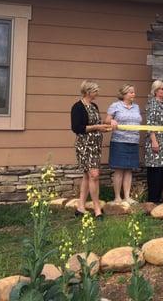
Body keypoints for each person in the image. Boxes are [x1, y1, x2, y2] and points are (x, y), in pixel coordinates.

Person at [70, 80, 111, 220]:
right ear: (88, 92)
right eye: (95, 91)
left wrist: (105, 128)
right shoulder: (77, 107)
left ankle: (81, 207)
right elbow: (77, 128)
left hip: (95, 146)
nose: (97, 93)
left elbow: (97, 125)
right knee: (94, 175)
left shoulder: (94, 106)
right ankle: (97, 209)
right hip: (84, 146)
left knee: (88, 176)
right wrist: (97, 128)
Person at [105, 84, 142, 204]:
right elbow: (106, 120)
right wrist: (111, 120)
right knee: (119, 169)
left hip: (133, 141)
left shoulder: (136, 107)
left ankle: (127, 197)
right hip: (119, 141)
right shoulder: (115, 105)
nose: (133, 94)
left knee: (129, 170)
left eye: (134, 92)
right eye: (131, 92)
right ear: (124, 94)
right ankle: (117, 197)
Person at [144, 80, 163, 203]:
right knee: (155, 170)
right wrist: (154, 141)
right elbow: (150, 124)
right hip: (156, 141)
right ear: (156, 91)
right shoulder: (152, 104)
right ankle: (153, 198)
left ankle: (158, 197)